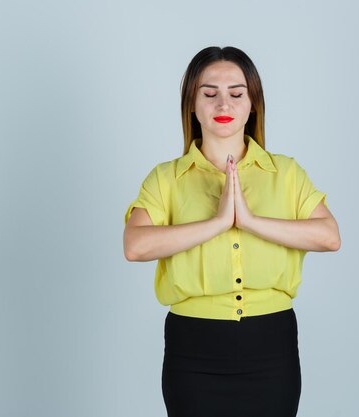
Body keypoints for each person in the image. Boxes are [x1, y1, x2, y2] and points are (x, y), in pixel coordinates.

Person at [123, 46, 341, 417]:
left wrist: (251, 221)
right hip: (193, 349)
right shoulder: (166, 178)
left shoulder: (285, 172)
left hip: (271, 347)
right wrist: (216, 223)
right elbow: (135, 245)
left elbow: (329, 236)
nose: (223, 104)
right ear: (191, 104)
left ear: (252, 102)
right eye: (209, 94)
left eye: (236, 94)